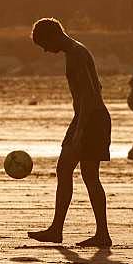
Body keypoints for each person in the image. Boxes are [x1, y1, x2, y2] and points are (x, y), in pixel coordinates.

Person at [28, 18, 112, 248]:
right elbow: (97, 88)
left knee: (83, 173)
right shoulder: (77, 50)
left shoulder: (75, 54)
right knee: (70, 170)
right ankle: (61, 230)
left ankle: (97, 233)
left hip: (91, 119)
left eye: (44, 44)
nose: (46, 50)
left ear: (54, 36)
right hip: (88, 117)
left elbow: (87, 95)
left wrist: (80, 131)